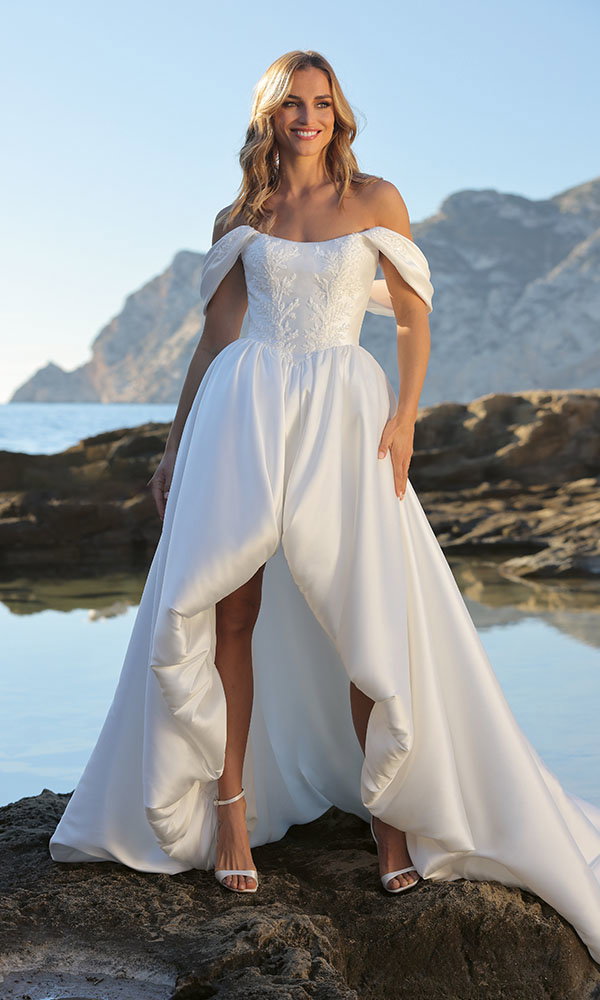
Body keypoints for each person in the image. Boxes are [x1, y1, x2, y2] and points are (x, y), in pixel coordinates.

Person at [48, 50, 600, 963]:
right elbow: (217, 337)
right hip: (244, 413)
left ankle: (390, 817)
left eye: (323, 103)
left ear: (340, 115)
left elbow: (417, 317)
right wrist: (176, 440)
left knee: (361, 617)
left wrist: (408, 419)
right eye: (293, 105)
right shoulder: (242, 217)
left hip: (347, 413)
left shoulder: (377, 199)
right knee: (231, 607)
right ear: (267, 117)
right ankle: (229, 817)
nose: (309, 117)